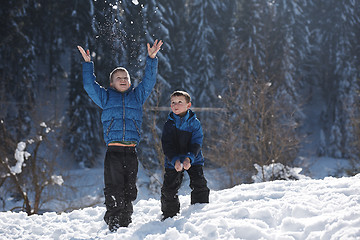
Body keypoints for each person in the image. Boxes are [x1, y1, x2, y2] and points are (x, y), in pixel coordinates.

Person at [77, 39, 163, 232]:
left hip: (131, 151)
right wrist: (87, 64)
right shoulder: (105, 97)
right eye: (118, 78)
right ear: (111, 83)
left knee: (129, 188)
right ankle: (114, 221)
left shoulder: (137, 96)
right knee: (114, 187)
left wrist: (151, 59)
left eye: (126, 77)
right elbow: (90, 86)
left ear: (130, 82)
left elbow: (149, 81)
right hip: (114, 150)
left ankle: (126, 220)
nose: (123, 80)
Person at [160, 90, 210, 220]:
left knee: (199, 184)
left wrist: (189, 158)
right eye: (173, 102)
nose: (175, 105)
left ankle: (200, 210)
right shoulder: (169, 124)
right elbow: (167, 145)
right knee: (169, 188)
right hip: (173, 160)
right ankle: (169, 215)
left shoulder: (195, 123)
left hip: (194, 159)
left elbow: (196, 142)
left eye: (180, 102)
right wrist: (175, 160)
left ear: (188, 105)